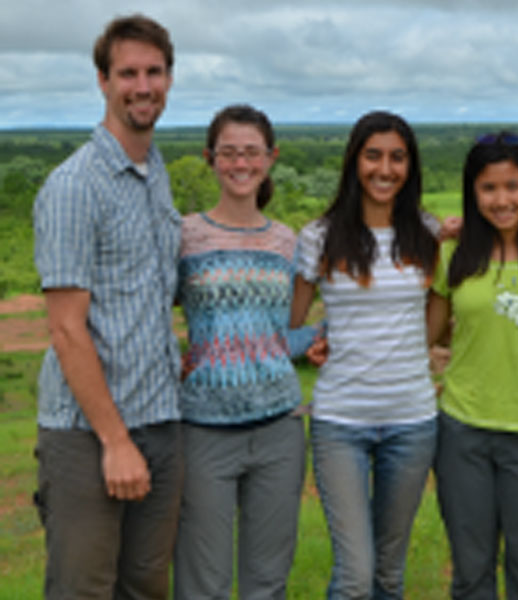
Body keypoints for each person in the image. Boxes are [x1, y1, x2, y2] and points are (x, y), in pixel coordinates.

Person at [32, 14, 183, 600]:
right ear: (102, 81)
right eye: (128, 73)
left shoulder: (154, 172)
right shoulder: (75, 186)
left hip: (160, 420)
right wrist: (115, 441)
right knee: (83, 588)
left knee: (145, 587)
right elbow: (68, 330)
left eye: (154, 72)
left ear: (169, 78)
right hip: (89, 433)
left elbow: (147, 295)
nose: (142, 86)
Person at [172, 104, 322, 600]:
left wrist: (332, 332)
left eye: (252, 153)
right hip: (203, 433)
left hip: (279, 430)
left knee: (267, 583)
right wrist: (174, 359)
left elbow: (278, 337)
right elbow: (147, 311)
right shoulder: (185, 234)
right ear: (210, 158)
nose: (241, 164)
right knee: (203, 583)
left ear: (271, 158)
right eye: (229, 153)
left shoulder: (286, 242)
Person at [291, 110, 439, 599]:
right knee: (355, 576)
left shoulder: (429, 232)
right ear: (354, 161)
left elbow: (442, 319)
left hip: (413, 420)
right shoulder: (319, 236)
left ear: (410, 166)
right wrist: (316, 337)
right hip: (341, 422)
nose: (385, 168)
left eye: (398, 157)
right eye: (373, 155)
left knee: (389, 576)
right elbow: (290, 327)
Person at [427, 132, 518, 599]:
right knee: (471, 570)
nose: (502, 199)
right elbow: (424, 333)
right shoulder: (453, 254)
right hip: (462, 429)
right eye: (489, 188)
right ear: (473, 192)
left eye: (513, 186)